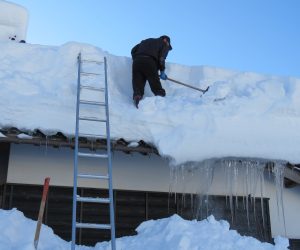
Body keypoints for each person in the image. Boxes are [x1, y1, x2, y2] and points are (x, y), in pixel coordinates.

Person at [131, 35, 172, 108]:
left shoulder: (146, 41)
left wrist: (137, 58)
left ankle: (137, 96)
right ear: (165, 40)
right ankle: (160, 97)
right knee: (154, 81)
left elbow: (133, 50)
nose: (168, 48)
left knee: (138, 81)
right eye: (168, 46)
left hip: (137, 62)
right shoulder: (164, 44)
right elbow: (162, 58)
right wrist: (162, 71)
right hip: (149, 61)